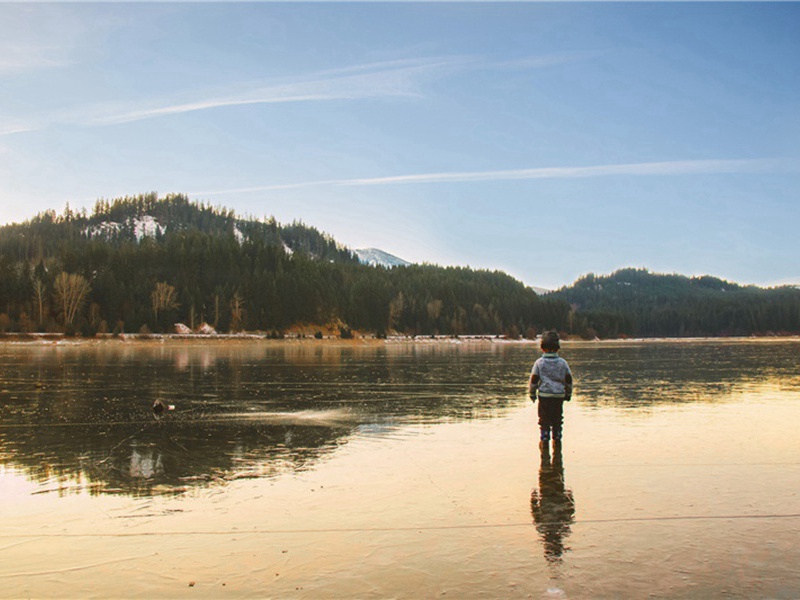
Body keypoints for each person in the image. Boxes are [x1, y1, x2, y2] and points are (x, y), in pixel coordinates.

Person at [528, 331, 573, 443]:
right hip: (558, 396)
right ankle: (557, 438)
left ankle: (544, 438)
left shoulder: (539, 363)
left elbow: (534, 380)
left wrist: (532, 393)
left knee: (544, 419)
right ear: (558, 348)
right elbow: (568, 380)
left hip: (544, 396)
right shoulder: (563, 363)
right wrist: (568, 394)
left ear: (542, 348)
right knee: (557, 419)